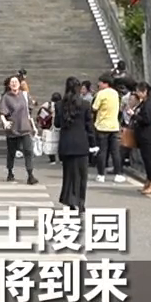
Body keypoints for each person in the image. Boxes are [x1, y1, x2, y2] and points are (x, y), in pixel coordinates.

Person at [56, 77, 98, 212]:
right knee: (81, 175)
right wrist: (93, 143)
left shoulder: (59, 105)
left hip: (66, 143)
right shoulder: (85, 104)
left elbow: (57, 124)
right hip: (81, 143)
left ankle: (69, 200)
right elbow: (89, 126)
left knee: (68, 174)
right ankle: (80, 202)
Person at [0, 74, 39, 185]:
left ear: (20, 84)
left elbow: (29, 113)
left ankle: (30, 175)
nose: (14, 83)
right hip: (13, 130)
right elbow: (1, 112)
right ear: (9, 85)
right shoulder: (6, 97)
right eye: (12, 82)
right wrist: (5, 122)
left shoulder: (25, 95)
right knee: (11, 152)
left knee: (29, 151)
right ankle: (10, 172)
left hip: (25, 128)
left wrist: (33, 127)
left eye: (16, 81)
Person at [91, 72, 125, 183]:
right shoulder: (116, 94)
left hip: (102, 126)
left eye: (100, 82)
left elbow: (95, 108)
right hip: (114, 126)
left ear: (105, 83)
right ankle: (118, 174)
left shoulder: (101, 94)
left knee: (102, 151)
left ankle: (101, 174)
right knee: (115, 151)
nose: (98, 84)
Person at [134, 82, 151, 194]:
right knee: (145, 159)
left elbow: (147, 119)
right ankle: (148, 181)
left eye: (139, 91)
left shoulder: (149, 103)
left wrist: (135, 116)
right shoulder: (143, 102)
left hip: (146, 134)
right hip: (142, 134)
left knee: (148, 159)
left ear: (144, 92)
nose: (137, 93)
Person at [37, 93, 61, 164]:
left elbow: (40, 113)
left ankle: (52, 159)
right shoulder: (61, 105)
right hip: (57, 126)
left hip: (48, 126)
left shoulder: (47, 104)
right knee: (58, 142)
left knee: (49, 143)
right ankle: (61, 159)